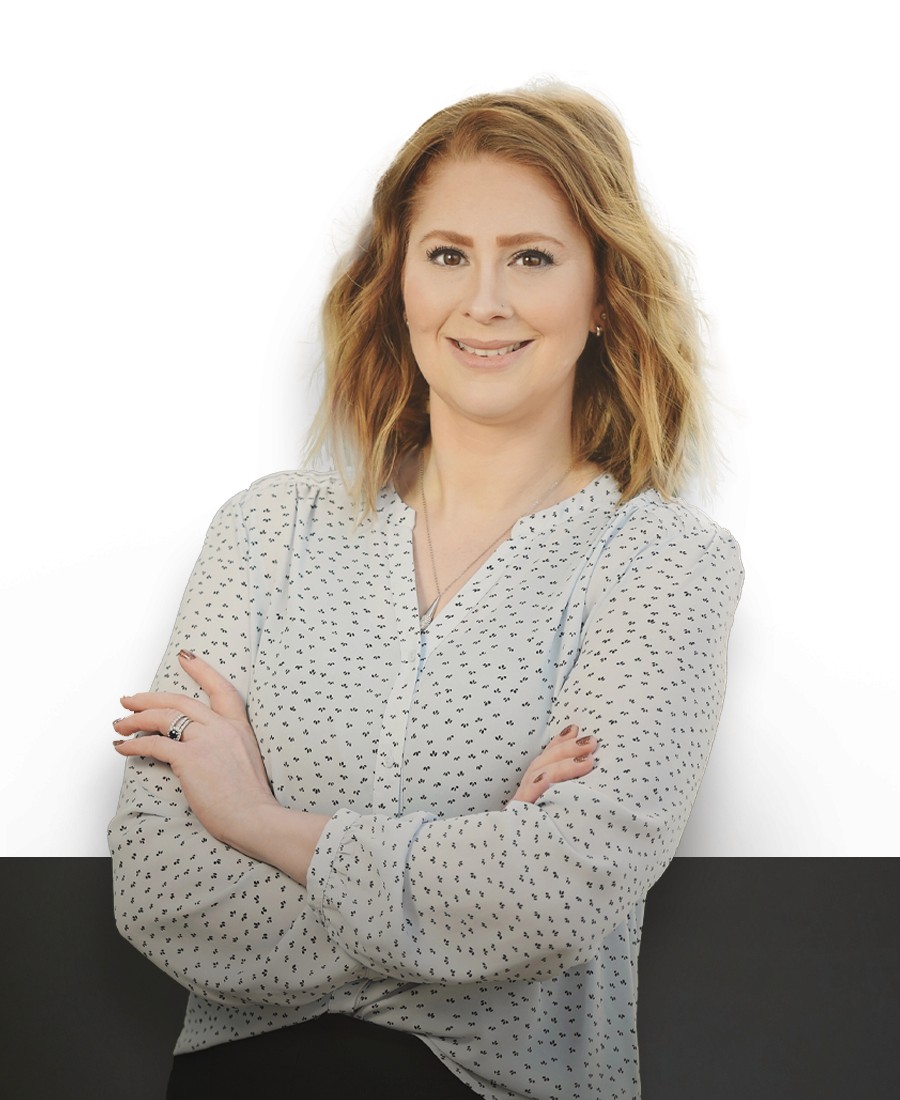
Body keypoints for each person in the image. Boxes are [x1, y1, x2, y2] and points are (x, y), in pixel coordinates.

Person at [109, 84, 743, 1100]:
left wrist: (258, 820)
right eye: (447, 254)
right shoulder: (268, 531)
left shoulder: (661, 562)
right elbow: (158, 887)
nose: (482, 300)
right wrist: (461, 884)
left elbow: (558, 889)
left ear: (604, 296)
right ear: (397, 284)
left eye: (531, 258)